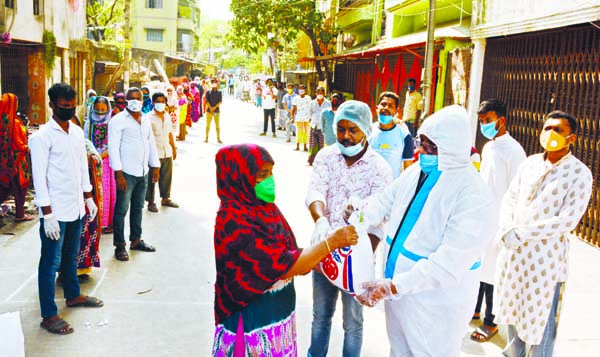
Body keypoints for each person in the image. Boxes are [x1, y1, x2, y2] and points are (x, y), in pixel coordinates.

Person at [353, 105, 494, 356]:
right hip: (398, 292)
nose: (421, 151)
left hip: (434, 303)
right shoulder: (418, 171)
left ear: (450, 149)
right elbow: (385, 202)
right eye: (422, 142)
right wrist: (358, 216)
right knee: (399, 350)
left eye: (430, 146)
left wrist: (395, 286)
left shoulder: (472, 193)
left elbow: (448, 263)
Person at [211, 143, 359, 355]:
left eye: (271, 173)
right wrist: (330, 243)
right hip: (251, 320)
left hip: (277, 315)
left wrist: (322, 262)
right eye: (262, 175)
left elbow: (287, 252)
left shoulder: (265, 209)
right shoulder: (232, 220)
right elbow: (280, 264)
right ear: (240, 177)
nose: (270, 180)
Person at [495, 111, 592, 357]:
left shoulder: (579, 173)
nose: (550, 134)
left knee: (541, 326)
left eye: (557, 130)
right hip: (516, 255)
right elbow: (510, 198)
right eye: (547, 128)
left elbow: (567, 220)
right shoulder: (530, 163)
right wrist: (507, 229)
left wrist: (522, 232)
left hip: (545, 265)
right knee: (513, 316)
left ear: (571, 138)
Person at [306, 100, 393, 357]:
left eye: (352, 129)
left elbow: (380, 218)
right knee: (320, 316)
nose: (345, 136)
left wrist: (360, 260)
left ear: (366, 129)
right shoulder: (326, 157)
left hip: (357, 261)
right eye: (341, 129)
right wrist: (321, 221)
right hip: (324, 250)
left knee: (353, 323)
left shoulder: (380, 168)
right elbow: (315, 191)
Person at [29, 83, 104, 335]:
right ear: (52, 105)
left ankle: (73, 295)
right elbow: (39, 178)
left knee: (71, 256)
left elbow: (82, 166)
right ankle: (49, 314)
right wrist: (47, 214)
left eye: (72, 106)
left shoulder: (75, 131)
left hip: (77, 206)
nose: (69, 110)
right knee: (50, 263)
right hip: (55, 211)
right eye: (63, 106)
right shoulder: (41, 138)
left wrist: (89, 196)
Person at [469, 99, 526, 343]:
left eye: (488, 121)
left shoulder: (514, 152)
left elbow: (519, 191)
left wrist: (511, 224)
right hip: (484, 215)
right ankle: (475, 308)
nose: (484, 126)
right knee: (480, 265)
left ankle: (490, 321)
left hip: (501, 221)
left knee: (493, 271)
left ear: (501, 120)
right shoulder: (489, 147)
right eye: (481, 121)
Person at [108, 87, 159, 262]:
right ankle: (120, 245)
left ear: (143, 100)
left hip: (143, 171)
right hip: (126, 173)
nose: (135, 100)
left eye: (139, 97)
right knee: (121, 209)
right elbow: (113, 148)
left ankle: (136, 240)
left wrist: (155, 165)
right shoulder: (117, 121)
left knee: (138, 208)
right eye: (132, 98)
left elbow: (150, 143)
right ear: (126, 100)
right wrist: (118, 173)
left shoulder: (145, 120)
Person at [65, 117, 103, 286]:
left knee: (83, 234)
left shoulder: (85, 142)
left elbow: (97, 160)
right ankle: (64, 271)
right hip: (64, 196)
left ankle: (81, 269)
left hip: (84, 196)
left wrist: (89, 158)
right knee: (63, 237)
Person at [84, 96, 116, 234]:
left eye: (103, 109)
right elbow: (85, 141)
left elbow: (114, 143)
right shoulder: (88, 123)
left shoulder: (112, 123)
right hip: (92, 161)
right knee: (94, 192)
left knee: (109, 192)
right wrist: (92, 155)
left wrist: (102, 155)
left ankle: (109, 223)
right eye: (97, 109)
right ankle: (95, 223)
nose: (100, 112)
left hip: (108, 161)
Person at [0, 93, 33, 222]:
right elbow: (18, 143)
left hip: (4, 161)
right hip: (16, 161)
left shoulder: (3, 120)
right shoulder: (13, 122)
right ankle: (20, 214)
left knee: (5, 188)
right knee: (19, 189)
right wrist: (27, 148)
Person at [145, 92, 178, 212]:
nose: (160, 104)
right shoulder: (148, 117)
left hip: (166, 150)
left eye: (163, 101)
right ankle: (150, 202)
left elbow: (169, 132)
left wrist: (173, 147)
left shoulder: (167, 116)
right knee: (152, 178)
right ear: (153, 103)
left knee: (166, 176)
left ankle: (165, 199)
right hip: (154, 152)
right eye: (158, 101)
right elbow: (147, 137)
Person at [369, 92, 414, 179]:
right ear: (377, 108)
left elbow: (408, 169)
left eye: (390, 106)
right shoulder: (367, 132)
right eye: (383, 104)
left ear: (396, 111)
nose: (386, 108)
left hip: (391, 189)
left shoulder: (405, 136)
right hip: (368, 188)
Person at [307, 87, 331, 166]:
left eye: (321, 93)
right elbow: (309, 113)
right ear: (316, 93)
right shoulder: (312, 103)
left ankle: (322, 161)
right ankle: (311, 160)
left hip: (323, 127)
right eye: (318, 92)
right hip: (314, 125)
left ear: (324, 94)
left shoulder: (328, 103)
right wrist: (310, 120)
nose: (320, 94)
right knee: (313, 144)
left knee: (322, 144)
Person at [291, 84, 311, 152]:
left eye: (303, 88)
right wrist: (292, 118)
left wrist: (310, 117)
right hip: (298, 118)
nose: (301, 90)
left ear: (305, 90)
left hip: (306, 118)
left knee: (306, 132)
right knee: (298, 132)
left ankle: (305, 146)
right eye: (300, 89)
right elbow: (293, 109)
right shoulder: (296, 98)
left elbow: (310, 108)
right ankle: (297, 146)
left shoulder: (308, 98)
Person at [205, 78, 223, 144]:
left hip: (216, 111)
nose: (214, 84)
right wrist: (211, 108)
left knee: (217, 126)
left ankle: (218, 138)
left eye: (215, 82)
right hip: (209, 111)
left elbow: (220, 101)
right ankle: (206, 138)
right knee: (208, 125)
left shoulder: (219, 92)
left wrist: (214, 108)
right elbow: (206, 101)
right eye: (213, 82)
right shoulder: (208, 92)